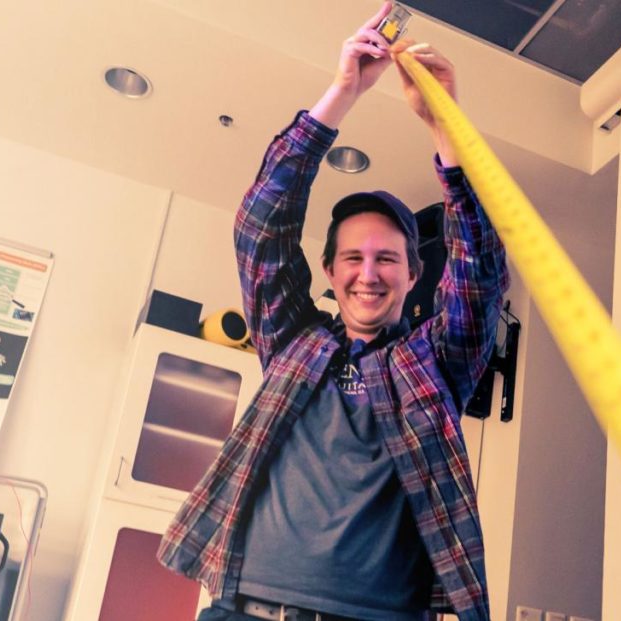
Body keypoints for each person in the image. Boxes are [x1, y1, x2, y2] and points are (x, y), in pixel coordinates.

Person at [158, 3, 508, 620]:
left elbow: (479, 268)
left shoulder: (437, 362)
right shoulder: (292, 339)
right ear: (329, 271)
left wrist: (444, 126)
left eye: (386, 259)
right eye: (352, 257)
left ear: (413, 273)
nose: (367, 274)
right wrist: (345, 90)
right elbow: (259, 227)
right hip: (247, 611)